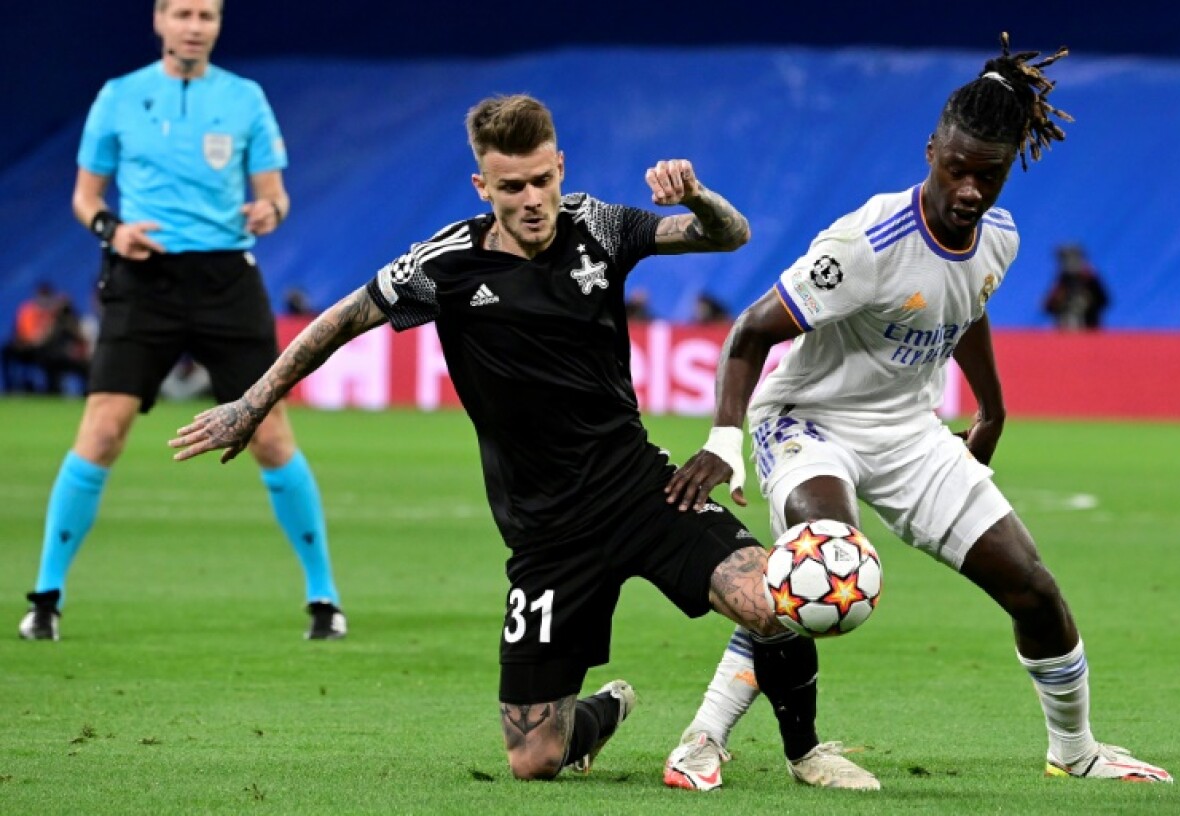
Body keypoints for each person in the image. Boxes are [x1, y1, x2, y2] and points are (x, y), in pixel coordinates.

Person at [168, 93, 865, 787]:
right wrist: (252, 405)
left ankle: (806, 752)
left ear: (560, 166)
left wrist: (701, 196)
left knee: (776, 599)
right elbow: (340, 322)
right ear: (483, 186)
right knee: (533, 760)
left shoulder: (601, 225)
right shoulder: (442, 267)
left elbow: (727, 235)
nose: (532, 199)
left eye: (542, 179)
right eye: (511, 186)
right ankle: (604, 712)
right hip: (546, 536)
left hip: (642, 492)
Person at [661, 35, 1172, 790]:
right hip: (809, 418)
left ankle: (1076, 750)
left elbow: (964, 309)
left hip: (908, 431)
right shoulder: (864, 244)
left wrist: (993, 408)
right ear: (931, 149)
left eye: (988, 175)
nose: (969, 189)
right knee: (822, 564)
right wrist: (723, 440)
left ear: (1007, 169)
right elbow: (750, 332)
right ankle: (701, 740)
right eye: (957, 168)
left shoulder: (998, 237)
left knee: (1033, 588)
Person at [17, 0, 345, 642]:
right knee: (103, 429)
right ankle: (46, 598)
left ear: (218, 25)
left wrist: (269, 211)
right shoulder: (119, 96)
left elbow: (275, 193)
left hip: (227, 280)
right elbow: (86, 198)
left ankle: (324, 599)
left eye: (208, 15)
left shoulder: (245, 97)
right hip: (144, 279)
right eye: (184, 13)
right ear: (160, 20)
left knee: (271, 433)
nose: (196, 25)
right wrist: (114, 229)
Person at [1, 281, 91, 394]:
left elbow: (75, 334)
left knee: (53, 358)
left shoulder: (57, 314)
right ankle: (12, 388)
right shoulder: (29, 310)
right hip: (31, 348)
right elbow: (27, 335)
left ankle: (57, 390)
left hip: (51, 351)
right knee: (8, 350)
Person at [1042, 243, 1108, 329]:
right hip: (1065, 330)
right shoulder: (1062, 280)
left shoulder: (1090, 279)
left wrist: (1087, 301)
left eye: (1073, 258)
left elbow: (1103, 301)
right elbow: (1048, 306)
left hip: (1089, 328)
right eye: (1065, 259)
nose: (1070, 262)